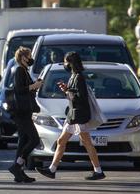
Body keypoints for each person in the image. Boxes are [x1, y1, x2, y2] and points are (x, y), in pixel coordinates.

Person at [37, 51, 105, 181]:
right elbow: (73, 94)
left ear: (71, 63)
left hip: (78, 116)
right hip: (73, 115)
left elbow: (81, 97)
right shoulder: (74, 76)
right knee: (61, 141)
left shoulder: (79, 77)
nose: (64, 64)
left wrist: (68, 91)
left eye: (65, 62)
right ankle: (52, 169)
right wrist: (66, 89)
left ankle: (98, 171)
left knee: (87, 143)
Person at [7, 47, 42, 183]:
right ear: (23, 58)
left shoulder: (24, 71)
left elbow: (26, 89)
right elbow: (19, 89)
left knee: (22, 141)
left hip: (25, 112)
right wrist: (33, 86)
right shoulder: (19, 70)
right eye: (29, 56)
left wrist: (35, 85)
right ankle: (17, 165)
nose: (31, 58)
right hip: (22, 113)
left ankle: (18, 173)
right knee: (34, 139)